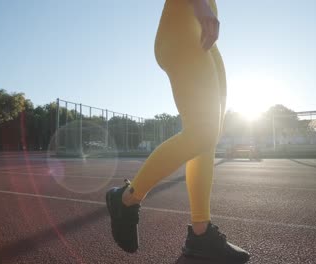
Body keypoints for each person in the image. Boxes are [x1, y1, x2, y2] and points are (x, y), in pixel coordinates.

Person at [106, 0, 250, 262]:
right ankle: (126, 199)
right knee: (203, 131)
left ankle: (200, 233)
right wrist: (201, 7)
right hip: (183, 24)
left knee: (208, 138)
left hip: (203, 35)